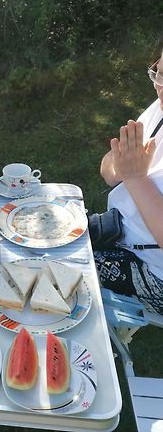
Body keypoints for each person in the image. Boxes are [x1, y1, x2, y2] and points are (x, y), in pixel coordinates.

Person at [94, 50, 163, 315]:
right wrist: (120, 169)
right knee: (46, 244)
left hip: (154, 271)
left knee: (63, 273)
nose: (159, 87)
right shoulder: (159, 109)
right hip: (118, 232)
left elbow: (128, 173)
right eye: (159, 74)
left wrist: (135, 177)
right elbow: (109, 168)